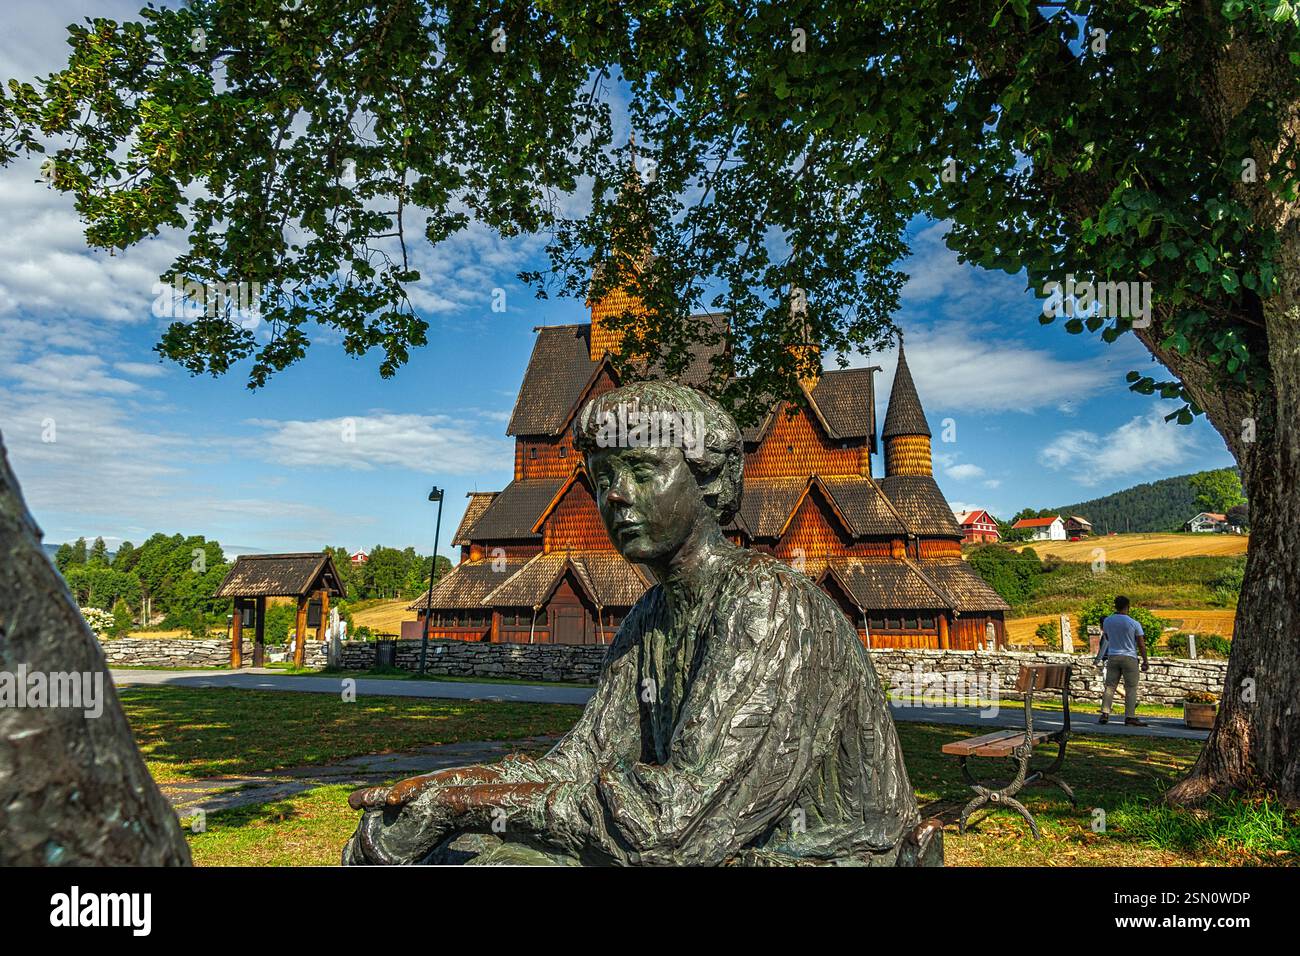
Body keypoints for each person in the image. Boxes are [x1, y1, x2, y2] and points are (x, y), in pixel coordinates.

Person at [342, 379, 940, 866]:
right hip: (714, 845)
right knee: (439, 849)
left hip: (817, 857)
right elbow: (579, 763)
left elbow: (671, 830)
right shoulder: (650, 617)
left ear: (710, 480)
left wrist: (470, 804)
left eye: (643, 472)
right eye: (602, 479)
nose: (616, 497)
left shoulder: (770, 606)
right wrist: (453, 786)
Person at [1096, 595, 1150, 726]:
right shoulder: (1133, 623)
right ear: (1128, 607)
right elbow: (1141, 644)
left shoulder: (1108, 621)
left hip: (1113, 656)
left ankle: (1105, 713)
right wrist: (1145, 661)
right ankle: (1130, 717)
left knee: (1110, 686)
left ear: (1115, 606)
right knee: (1131, 687)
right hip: (1129, 657)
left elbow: (1107, 637)